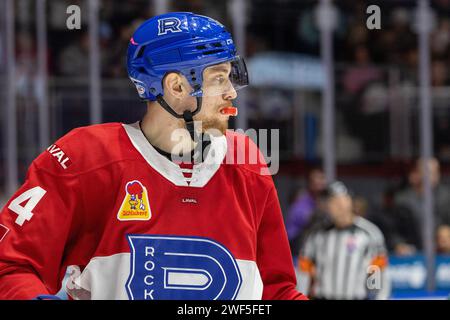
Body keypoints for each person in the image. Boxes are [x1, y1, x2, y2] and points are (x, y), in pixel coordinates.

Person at [0, 12, 307, 300]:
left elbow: (276, 290)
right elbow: (11, 267)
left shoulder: (245, 161)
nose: (232, 92)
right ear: (175, 86)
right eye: (218, 78)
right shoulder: (87, 157)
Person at [297, 181, 390, 300]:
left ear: (349, 202)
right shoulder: (317, 234)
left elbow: (379, 273)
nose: (335, 206)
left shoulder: (369, 233)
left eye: (338, 201)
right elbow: (304, 273)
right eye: (330, 202)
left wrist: (380, 297)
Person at [392, 157, 450, 255]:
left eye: (437, 172)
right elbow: (395, 230)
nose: (435, 176)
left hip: (442, 253)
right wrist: (399, 244)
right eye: (430, 172)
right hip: (413, 254)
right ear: (416, 174)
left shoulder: (446, 196)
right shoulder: (402, 200)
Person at [284, 167, 326, 254]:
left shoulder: (327, 201)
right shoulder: (301, 203)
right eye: (315, 179)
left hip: (319, 253)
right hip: (298, 252)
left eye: (321, 178)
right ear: (310, 183)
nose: (319, 183)